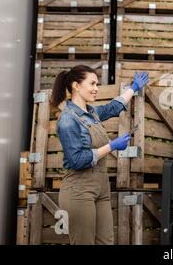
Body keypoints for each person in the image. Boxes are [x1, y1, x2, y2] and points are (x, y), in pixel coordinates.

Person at [50, 65, 149, 245]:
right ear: (76, 86)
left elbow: (113, 107)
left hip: (102, 186)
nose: (96, 88)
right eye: (92, 84)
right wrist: (111, 146)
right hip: (79, 189)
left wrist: (133, 88)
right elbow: (77, 160)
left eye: (97, 84)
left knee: (106, 241)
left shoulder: (91, 113)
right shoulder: (67, 119)